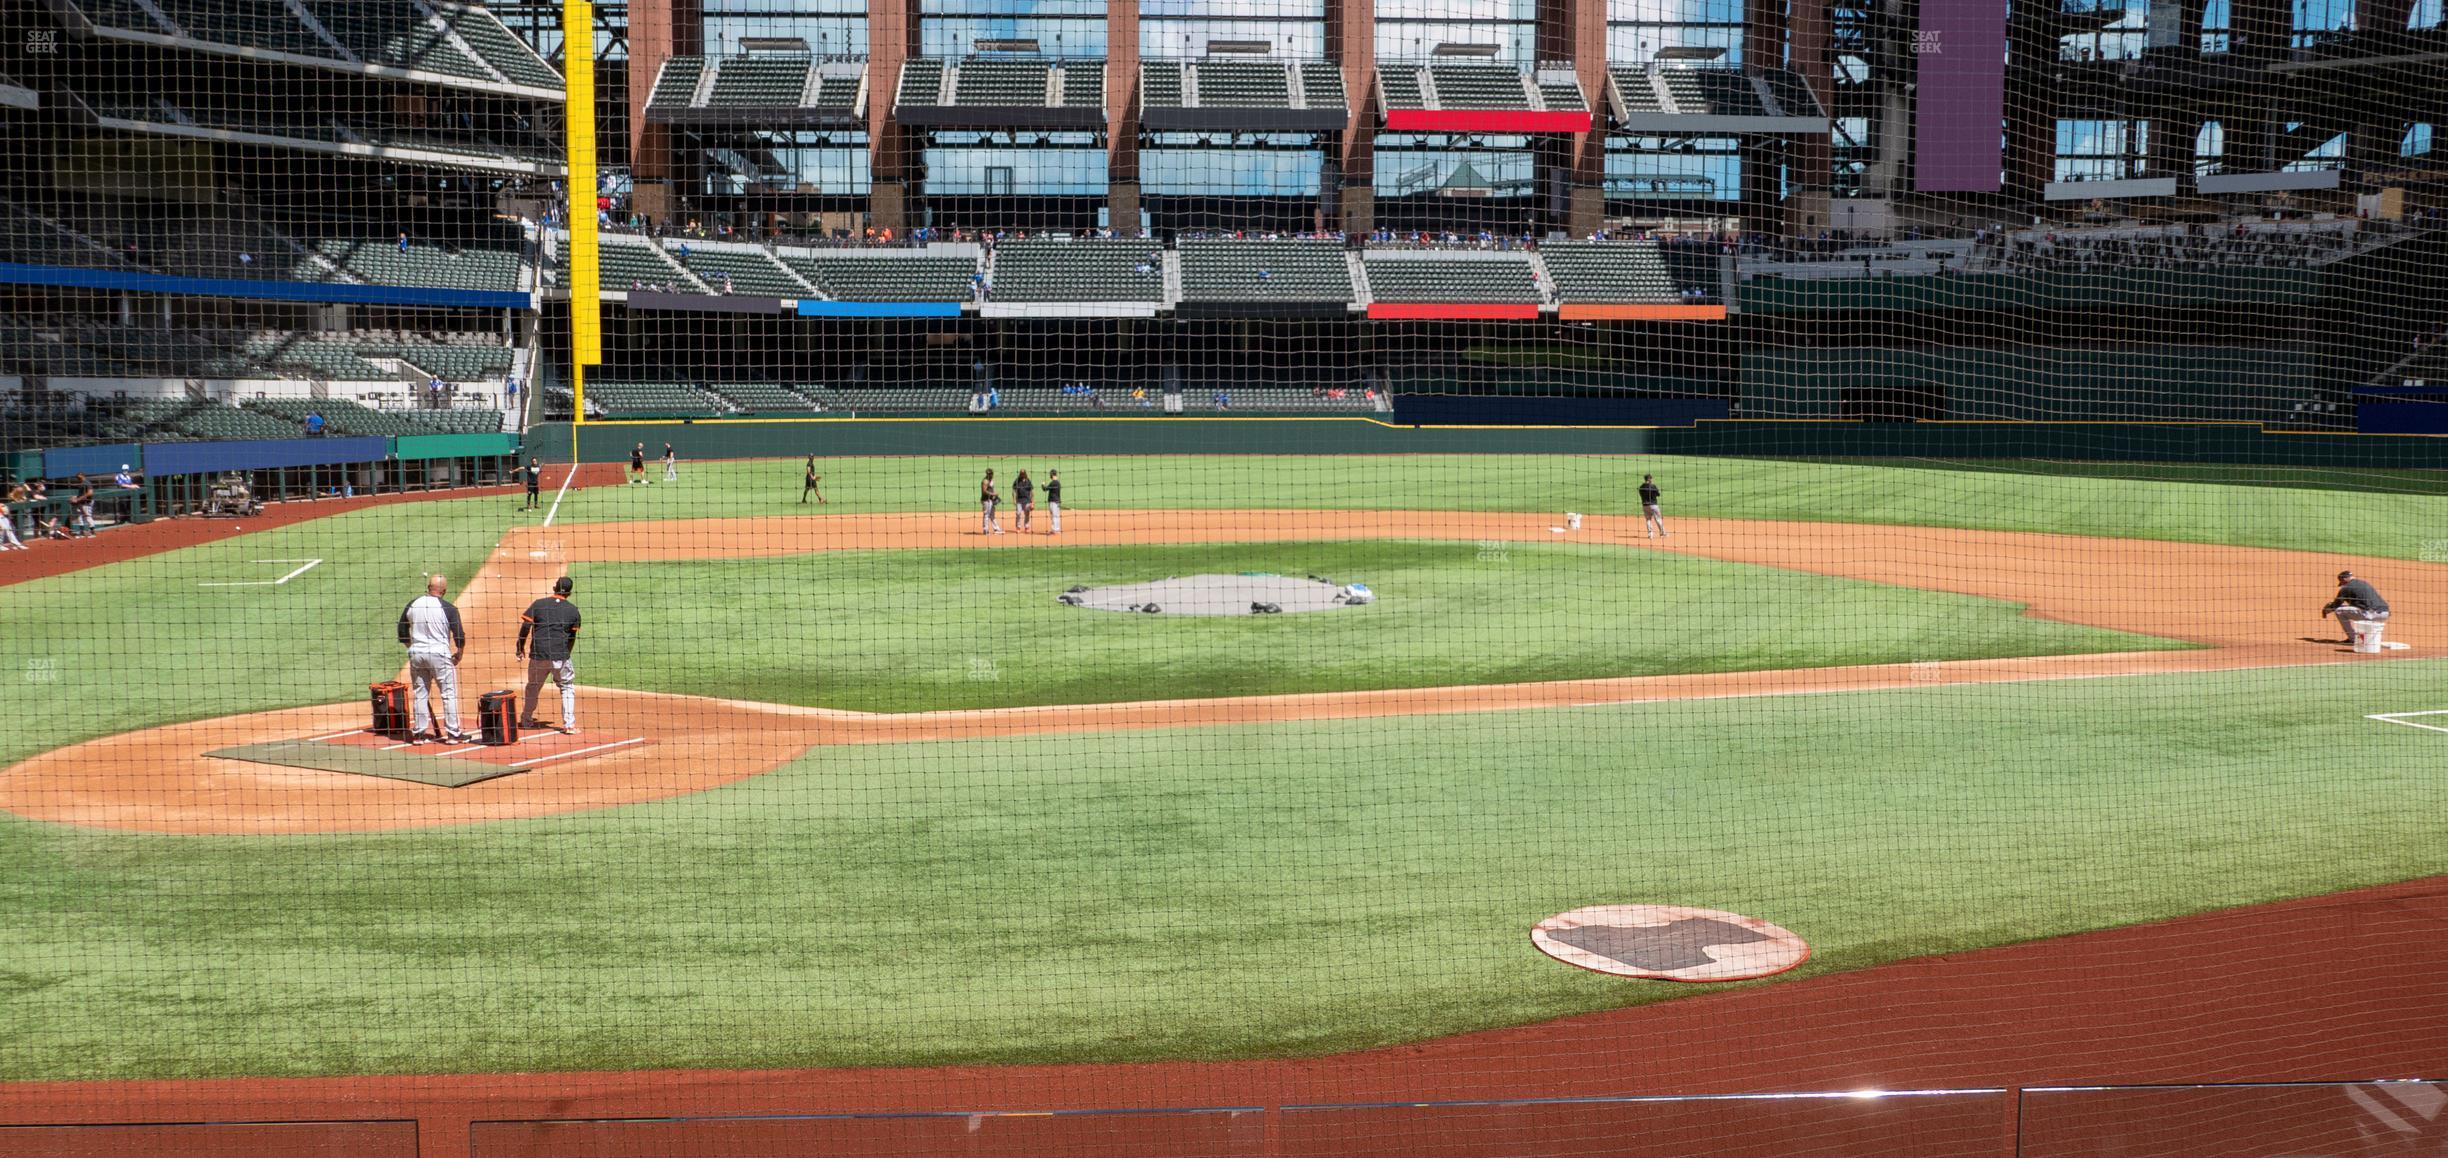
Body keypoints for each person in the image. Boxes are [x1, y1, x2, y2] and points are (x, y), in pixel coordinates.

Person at [397, 573, 472, 744]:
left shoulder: (413, 604)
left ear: (428, 588)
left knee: (420, 694)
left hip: (417, 655)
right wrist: (459, 653)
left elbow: (402, 630)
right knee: (448, 694)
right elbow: (459, 635)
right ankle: (453, 734)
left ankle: (419, 734)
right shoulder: (448, 608)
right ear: (444, 591)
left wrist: (412, 647)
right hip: (439, 655)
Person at [516, 575, 583, 735]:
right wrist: (566, 653)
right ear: (569, 593)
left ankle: (526, 720)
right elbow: (572, 637)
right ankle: (569, 725)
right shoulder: (573, 610)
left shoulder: (539, 604)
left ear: (555, 588)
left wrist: (520, 646)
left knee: (533, 686)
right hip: (560, 655)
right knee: (566, 687)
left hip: (538, 654)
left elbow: (526, 625)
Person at [2323, 570, 2389, 644]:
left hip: (2370, 614)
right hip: (2385, 613)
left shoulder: (2346, 588)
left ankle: (2353, 639)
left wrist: (2327, 609)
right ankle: (2373, 640)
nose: (2342, 584)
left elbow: (2336, 605)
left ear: (2344, 579)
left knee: (2339, 611)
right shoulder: (2364, 583)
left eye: (2341, 582)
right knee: (2360, 609)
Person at [1639, 474, 1667, 539]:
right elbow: (1658, 494)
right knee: (1658, 519)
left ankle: (1650, 534)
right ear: (1649, 479)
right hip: (1653, 505)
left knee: (1648, 520)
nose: (1652, 480)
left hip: (1645, 506)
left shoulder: (1641, 487)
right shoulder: (1653, 486)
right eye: (1651, 478)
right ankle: (1663, 533)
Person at [980, 468, 1002, 534]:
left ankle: (996, 529)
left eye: (991, 474)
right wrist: (993, 494)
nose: (990, 475)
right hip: (986, 500)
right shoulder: (985, 481)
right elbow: (984, 491)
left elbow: (991, 489)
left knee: (992, 515)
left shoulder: (991, 480)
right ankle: (985, 530)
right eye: (989, 474)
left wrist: (994, 496)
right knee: (986, 514)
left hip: (990, 500)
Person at [1044, 468, 1061, 535]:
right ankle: (1057, 529)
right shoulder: (1058, 482)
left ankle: (1054, 530)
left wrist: (1042, 484)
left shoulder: (1053, 482)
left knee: (1053, 516)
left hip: (1053, 501)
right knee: (1056, 515)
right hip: (1057, 501)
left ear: (1052, 475)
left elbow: (1045, 489)